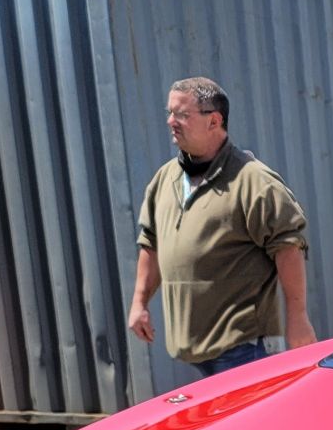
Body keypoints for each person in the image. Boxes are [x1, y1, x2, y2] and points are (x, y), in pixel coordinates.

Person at [127, 77, 315, 378]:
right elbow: (150, 242)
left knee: (255, 425)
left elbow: (288, 246)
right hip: (192, 348)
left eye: (182, 115)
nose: (170, 121)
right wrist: (139, 303)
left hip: (244, 348)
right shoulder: (165, 179)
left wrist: (298, 318)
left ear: (214, 121)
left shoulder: (253, 180)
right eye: (170, 112)